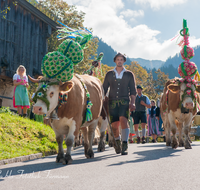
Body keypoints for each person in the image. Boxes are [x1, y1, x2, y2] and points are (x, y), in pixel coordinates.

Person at [103, 52, 136, 155]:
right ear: (115, 61)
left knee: (123, 121)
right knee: (114, 125)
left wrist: (133, 103)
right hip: (112, 102)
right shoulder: (109, 74)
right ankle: (117, 143)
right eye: (118, 59)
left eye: (121, 59)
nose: (119, 61)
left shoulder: (129, 74)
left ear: (124, 61)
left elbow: (133, 90)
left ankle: (125, 144)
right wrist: (101, 100)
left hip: (124, 101)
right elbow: (104, 89)